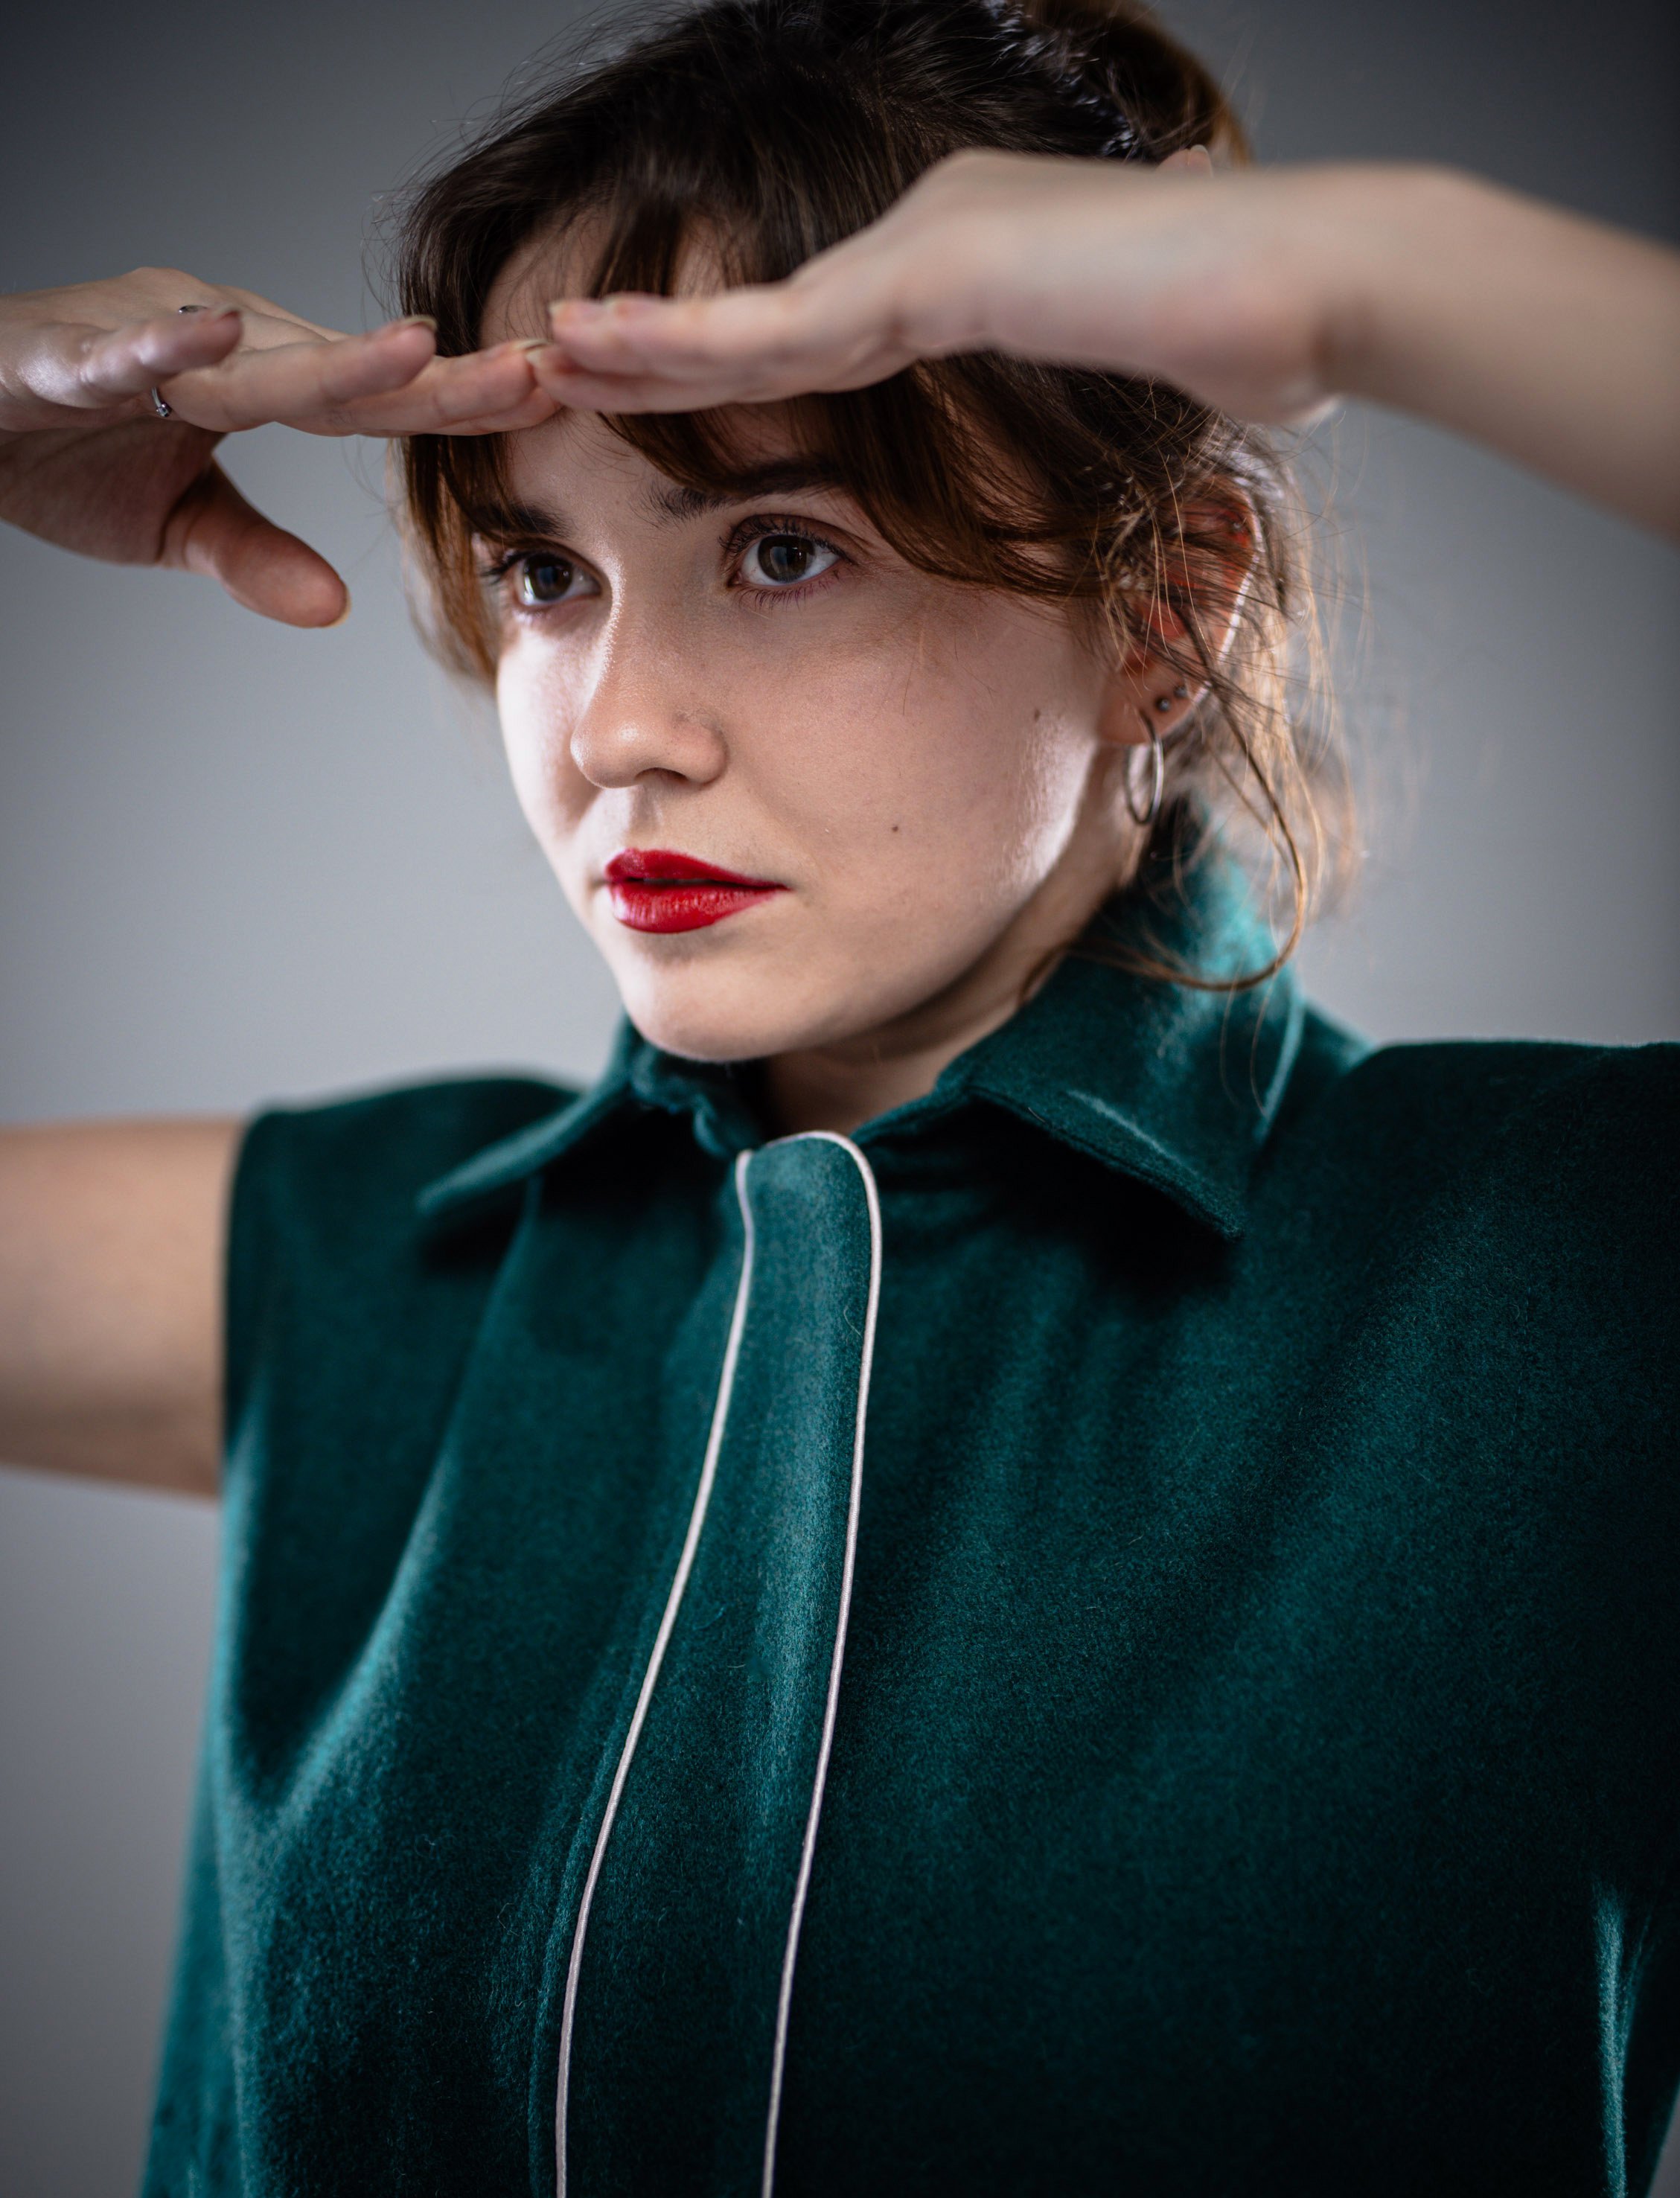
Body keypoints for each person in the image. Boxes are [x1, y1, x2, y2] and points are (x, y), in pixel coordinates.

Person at [1, 0, 1676, 2191]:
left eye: (782, 546)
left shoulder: (1557, 1272)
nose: (614, 728)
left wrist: (1365, 277)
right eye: (545, 573)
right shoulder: (359, 1265)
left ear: (1163, 615)